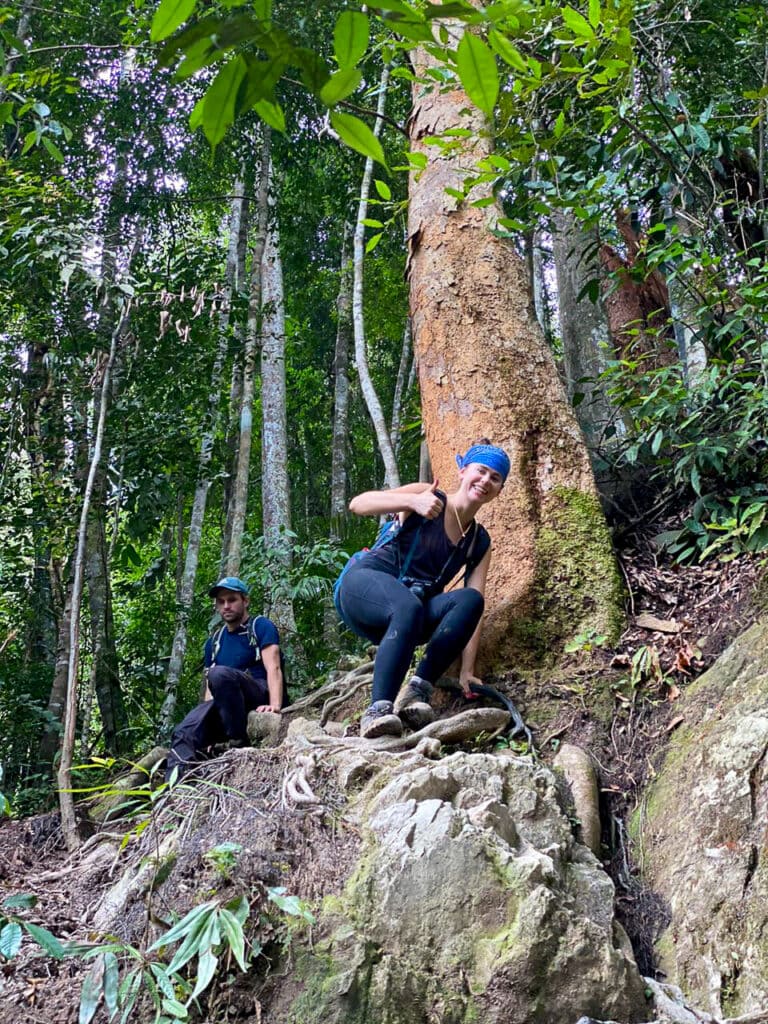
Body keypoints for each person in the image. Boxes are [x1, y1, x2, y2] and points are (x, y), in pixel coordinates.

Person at [335, 442, 510, 739]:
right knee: (407, 605)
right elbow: (358, 503)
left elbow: (474, 612)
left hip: (408, 617)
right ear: (463, 471)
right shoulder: (428, 494)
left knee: (469, 600)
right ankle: (377, 711)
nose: (485, 481)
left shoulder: (478, 541)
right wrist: (413, 503)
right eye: (481, 471)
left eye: (495, 477)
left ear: (500, 489)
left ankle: (416, 692)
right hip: (363, 586)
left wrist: (468, 670)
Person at [165, 576, 286, 780]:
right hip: (225, 702)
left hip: (257, 693)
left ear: (245, 601)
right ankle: (175, 793)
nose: (226, 606)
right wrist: (205, 722)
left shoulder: (260, 626)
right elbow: (210, 690)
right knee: (184, 731)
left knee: (219, 673)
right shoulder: (214, 642)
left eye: (232, 600)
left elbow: (273, 667)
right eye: (221, 602)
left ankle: (238, 741)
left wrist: (275, 705)